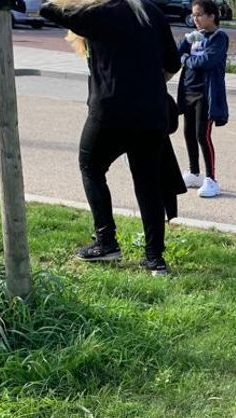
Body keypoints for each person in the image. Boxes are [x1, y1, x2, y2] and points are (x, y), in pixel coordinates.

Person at [40, 0, 181, 275]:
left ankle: (106, 242)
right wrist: (145, 84)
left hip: (111, 111)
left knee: (90, 166)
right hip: (152, 113)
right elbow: (173, 63)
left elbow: (48, 10)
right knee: (148, 183)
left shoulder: (99, 13)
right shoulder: (151, 12)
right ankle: (155, 259)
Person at [178, 0, 229, 199]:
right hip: (188, 91)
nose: (195, 19)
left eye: (199, 14)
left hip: (205, 94)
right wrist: (186, 41)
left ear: (212, 16)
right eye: (193, 15)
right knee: (188, 133)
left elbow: (206, 62)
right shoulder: (195, 37)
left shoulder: (219, 37)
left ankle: (211, 179)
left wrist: (186, 59)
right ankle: (194, 173)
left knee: (202, 135)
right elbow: (177, 54)